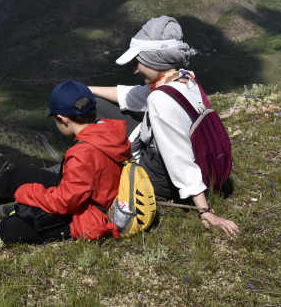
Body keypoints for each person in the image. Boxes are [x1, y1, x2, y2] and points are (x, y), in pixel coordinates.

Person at [89, 15, 239, 237]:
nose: (135, 70)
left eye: (137, 62)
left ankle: (83, 165)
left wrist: (205, 210)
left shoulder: (160, 100)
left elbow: (178, 157)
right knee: (98, 102)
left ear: (153, 61)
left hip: (158, 180)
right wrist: (86, 89)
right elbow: (129, 96)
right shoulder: (183, 79)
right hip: (205, 166)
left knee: (93, 122)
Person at [0, 80, 131, 244]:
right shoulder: (109, 132)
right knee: (20, 173)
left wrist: (26, 193)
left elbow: (64, 203)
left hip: (87, 215)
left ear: (63, 120)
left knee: (9, 229)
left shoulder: (82, 153)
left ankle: (15, 208)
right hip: (89, 197)